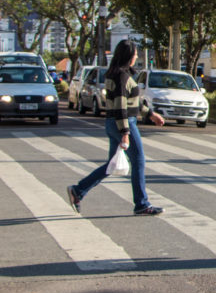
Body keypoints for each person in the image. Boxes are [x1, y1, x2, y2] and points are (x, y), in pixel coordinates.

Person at [66, 39, 166, 216]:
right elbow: (121, 107)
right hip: (124, 122)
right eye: (135, 53)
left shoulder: (118, 74)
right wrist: (125, 132)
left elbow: (130, 103)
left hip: (115, 122)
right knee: (139, 161)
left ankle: (78, 190)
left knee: (111, 165)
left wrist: (150, 114)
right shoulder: (121, 76)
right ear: (128, 56)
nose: (136, 56)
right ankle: (142, 204)